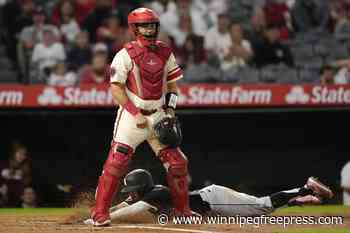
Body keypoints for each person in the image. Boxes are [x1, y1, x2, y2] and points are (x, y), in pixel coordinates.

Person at [90, 8, 192, 227]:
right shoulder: (124, 54)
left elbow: (173, 85)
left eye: (153, 25)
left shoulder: (166, 52)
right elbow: (116, 89)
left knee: (177, 163)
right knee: (117, 163)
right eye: (145, 25)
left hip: (158, 115)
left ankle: (183, 211)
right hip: (131, 116)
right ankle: (100, 213)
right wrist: (135, 113)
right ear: (135, 28)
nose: (150, 29)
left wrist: (171, 111)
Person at [84, 169, 334, 224]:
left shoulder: (156, 193)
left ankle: (305, 187)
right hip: (210, 207)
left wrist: (108, 218)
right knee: (260, 212)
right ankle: (298, 199)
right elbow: (122, 205)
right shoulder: (148, 194)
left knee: (262, 207)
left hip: (213, 199)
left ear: (143, 187)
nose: (131, 195)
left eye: (133, 190)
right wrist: (101, 213)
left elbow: (131, 211)